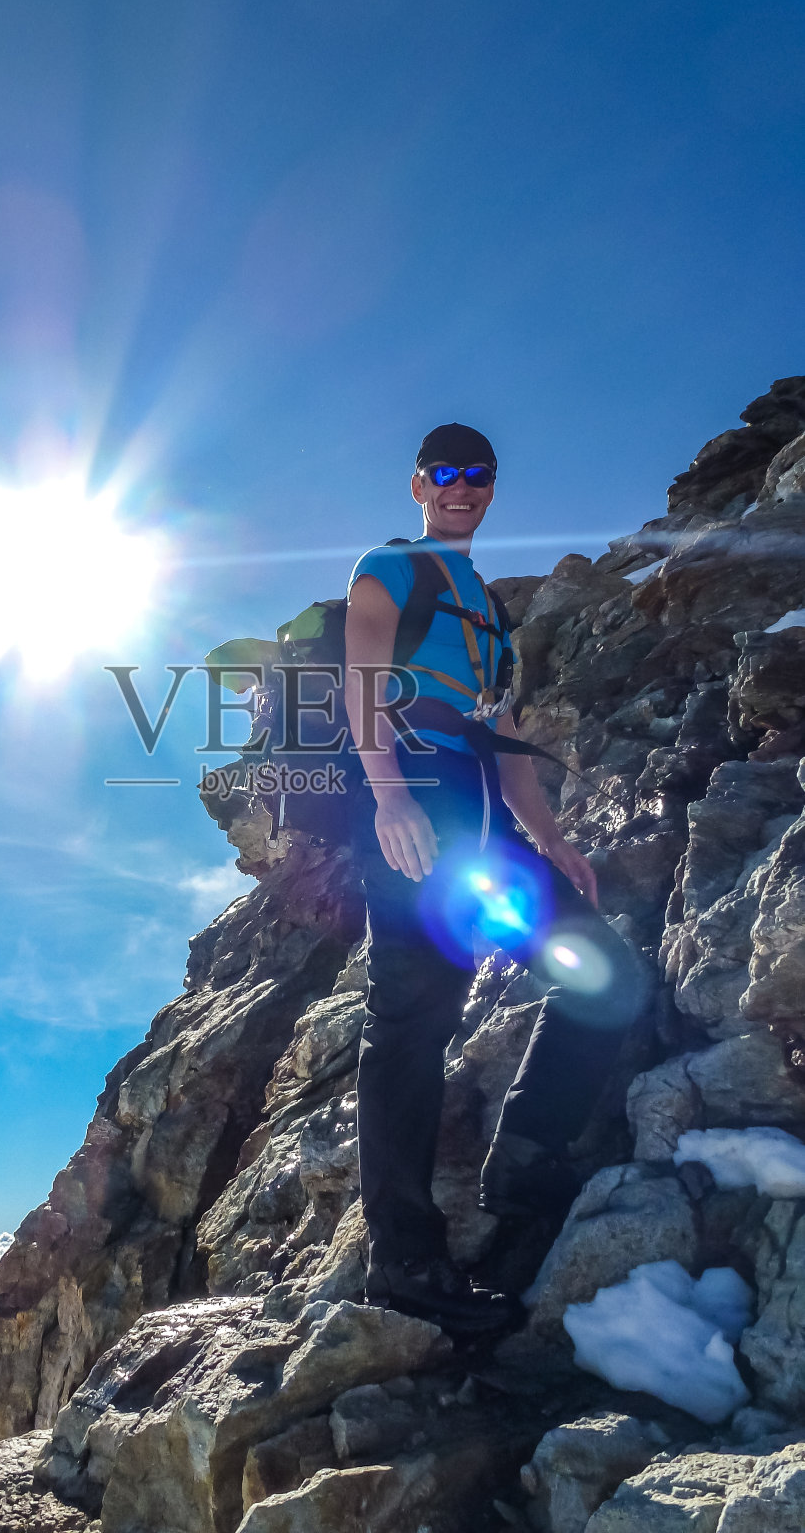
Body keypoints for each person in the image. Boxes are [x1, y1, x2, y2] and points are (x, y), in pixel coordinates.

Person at [343, 423, 647, 1335]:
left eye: (477, 475)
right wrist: (388, 798)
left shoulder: (489, 611)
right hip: (418, 812)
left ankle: (525, 1154)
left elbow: (502, 733)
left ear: (490, 488)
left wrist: (549, 839)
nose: (461, 487)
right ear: (417, 484)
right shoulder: (389, 568)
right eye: (445, 474)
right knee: (409, 1022)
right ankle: (404, 1260)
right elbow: (358, 680)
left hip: (482, 821)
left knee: (605, 975)